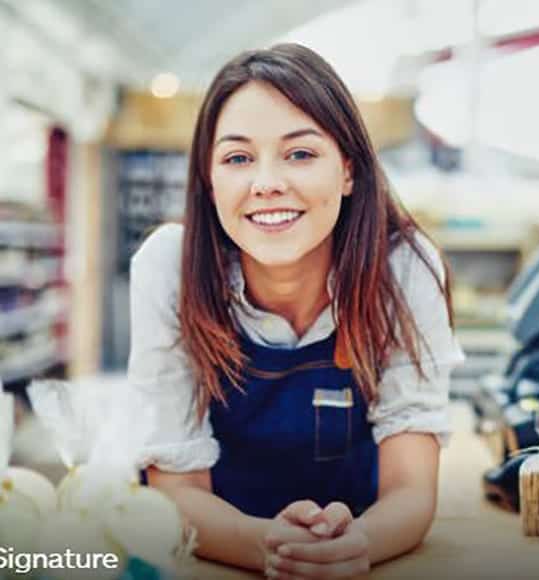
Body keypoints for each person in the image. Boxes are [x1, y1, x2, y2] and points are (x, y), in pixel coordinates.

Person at [128, 43, 465, 578]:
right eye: (238, 158)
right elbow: (176, 492)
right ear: (210, 181)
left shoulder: (403, 270)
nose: (267, 183)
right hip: (214, 558)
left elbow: (411, 489)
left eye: (300, 154)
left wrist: (360, 544)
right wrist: (265, 545)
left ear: (349, 171)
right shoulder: (170, 266)